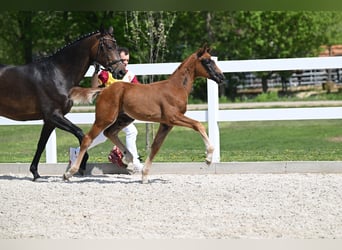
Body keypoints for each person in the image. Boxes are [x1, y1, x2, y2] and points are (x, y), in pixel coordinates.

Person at [70, 47, 143, 173]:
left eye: (127, 60)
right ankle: (134, 162)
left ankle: (76, 152)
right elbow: (94, 87)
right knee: (129, 132)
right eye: (123, 60)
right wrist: (95, 73)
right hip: (108, 111)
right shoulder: (106, 74)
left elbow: (139, 90)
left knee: (111, 135)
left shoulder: (129, 75)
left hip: (121, 112)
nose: (125, 63)